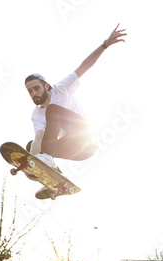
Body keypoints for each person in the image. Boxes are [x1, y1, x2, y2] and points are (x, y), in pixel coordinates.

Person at [24, 24, 127, 173]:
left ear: (46, 86)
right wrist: (31, 166)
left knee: (52, 110)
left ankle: (47, 157)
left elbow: (84, 66)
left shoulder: (61, 88)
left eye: (36, 88)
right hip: (75, 151)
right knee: (31, 146)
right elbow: (39, 138)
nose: (34, 94)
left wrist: (105, 45)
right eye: (30, 91)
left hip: (86, 139)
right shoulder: (36, 115)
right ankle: (53, 177)